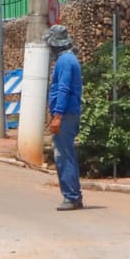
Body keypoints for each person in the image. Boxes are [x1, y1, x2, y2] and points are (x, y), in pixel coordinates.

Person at [46, 24, 84, 211]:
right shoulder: (67, 60)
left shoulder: (65, 62)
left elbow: (63, 89)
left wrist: (58, 115)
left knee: (64, 156)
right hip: (68, 114)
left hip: (66, 115)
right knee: (66, 154)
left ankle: (71, 196)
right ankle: (73, 195)